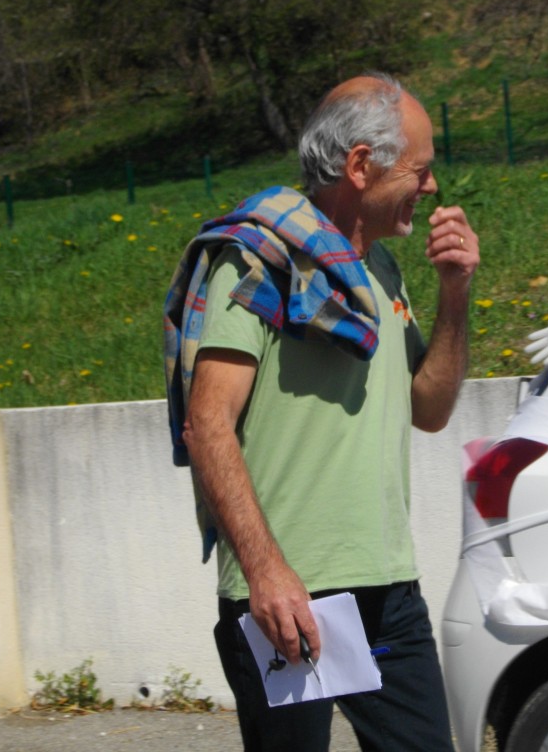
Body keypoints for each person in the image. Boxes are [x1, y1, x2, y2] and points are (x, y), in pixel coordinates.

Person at [162, 72, 479, 751]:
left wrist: (455, 292)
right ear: (361, 166)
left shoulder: (382, 272)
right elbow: (207, 421)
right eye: (420, 170)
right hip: (289, 598)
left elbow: (428, 407)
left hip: (390, 592)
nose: (430, 187)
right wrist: (266, 573)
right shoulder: (255, 264)